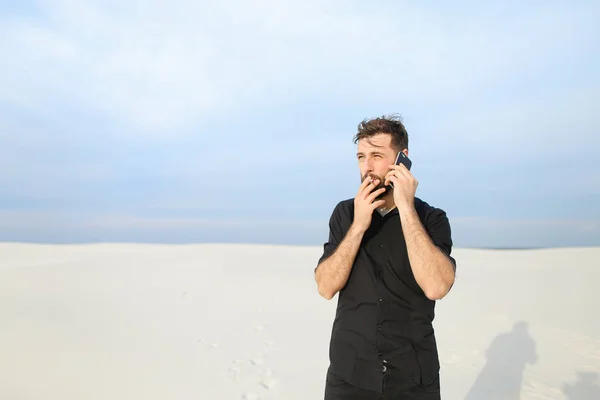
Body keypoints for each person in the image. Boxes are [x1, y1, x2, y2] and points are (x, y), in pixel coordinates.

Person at [314, 114, 457, 399]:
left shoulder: (431, 218)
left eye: (377, 155)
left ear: (402, 159)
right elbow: (325, 287)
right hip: (349, 374)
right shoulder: (345, 214)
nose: (367, 167)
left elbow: (437, 286)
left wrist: (406, 208)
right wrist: (358, 225)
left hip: (412, 377)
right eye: (360, 157)